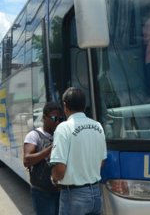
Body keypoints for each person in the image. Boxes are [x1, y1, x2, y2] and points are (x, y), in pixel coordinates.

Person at [50, 87, 107, 215]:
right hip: (96, 194)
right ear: (84, 105)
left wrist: (54, 179)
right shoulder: (98, 126)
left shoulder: (63, 128)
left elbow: (59, 169)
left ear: (65, 106)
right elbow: (102, 162)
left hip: (74, 197)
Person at [23, 102, 64, 215]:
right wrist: (51, 148)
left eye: (60, 118)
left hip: (61, 190)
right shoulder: (34, 135)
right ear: (44, 117)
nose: (58, 121)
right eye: (54, 118)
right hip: (42, 192)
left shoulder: (61, 134)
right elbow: (26, 160)